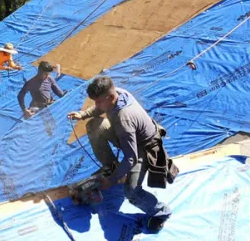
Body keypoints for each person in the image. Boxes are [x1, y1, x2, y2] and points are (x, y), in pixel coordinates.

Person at [67, 76, 173, 233]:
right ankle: (112, 166)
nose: (96, 105)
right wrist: (83, 114)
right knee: (95, 126)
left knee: (131, 191)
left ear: (109, 97)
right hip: (128, 136)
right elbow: (101, 108)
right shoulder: (118, 93)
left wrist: (111, 180)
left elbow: (131, 157)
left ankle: (161, 212)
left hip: (143, 148)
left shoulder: (124, 119)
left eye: (98, 101)